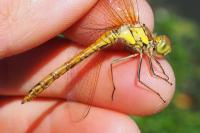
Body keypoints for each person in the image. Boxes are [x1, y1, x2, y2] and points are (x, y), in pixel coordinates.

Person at [0, 0, 175, 132]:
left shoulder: (142, 38)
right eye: (158, 47)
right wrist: (159, 90)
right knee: (137, 77)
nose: (155, 49)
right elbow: (141, 76)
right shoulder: (143, 42)